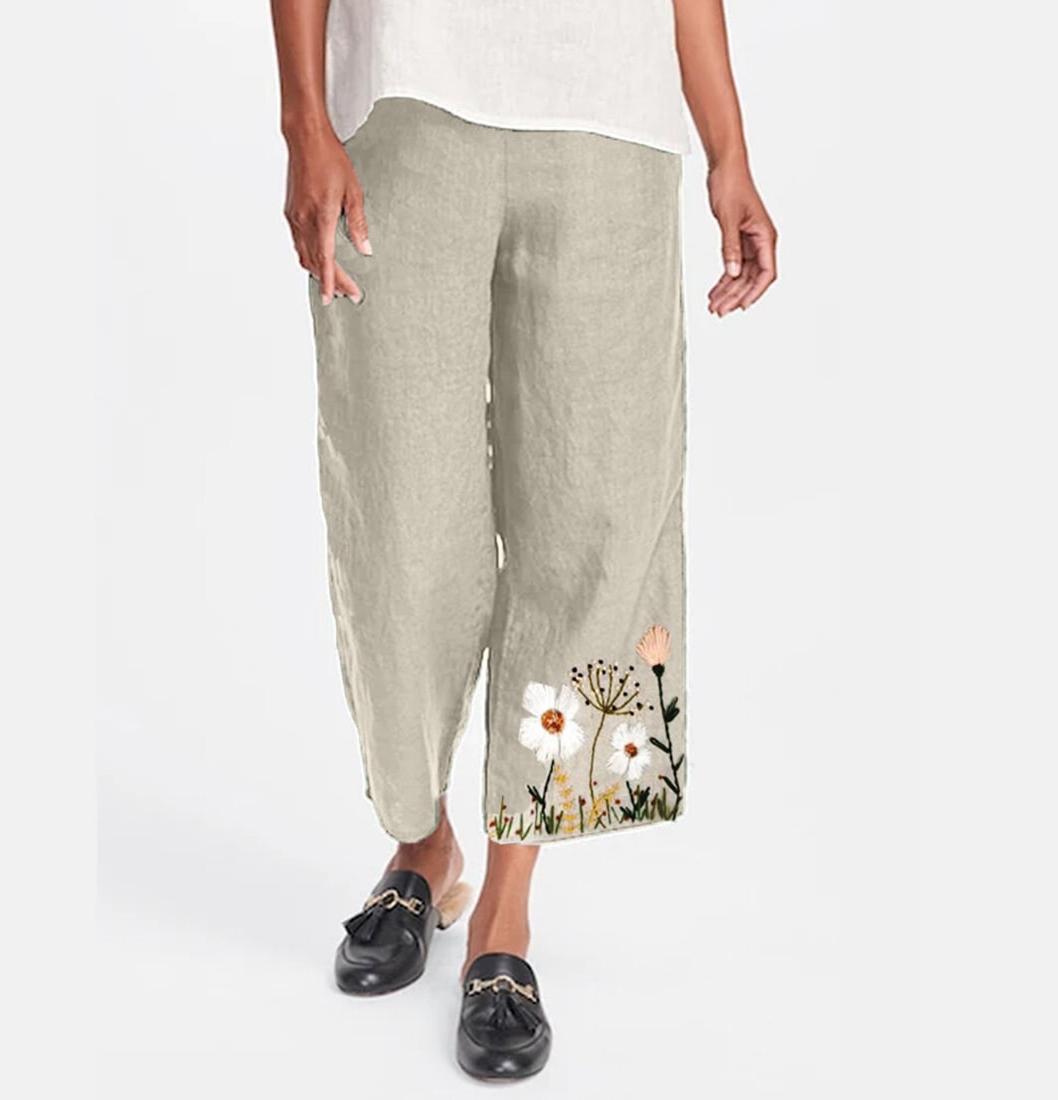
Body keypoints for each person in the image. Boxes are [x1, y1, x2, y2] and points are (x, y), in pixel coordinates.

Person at [269, 0, 777, 1080]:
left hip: (612, 119)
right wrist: (303, 120)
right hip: (405, 100)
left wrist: (728, 151)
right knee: (398, 524)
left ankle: (506, 899)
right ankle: (421, 839)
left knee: (594, 516)